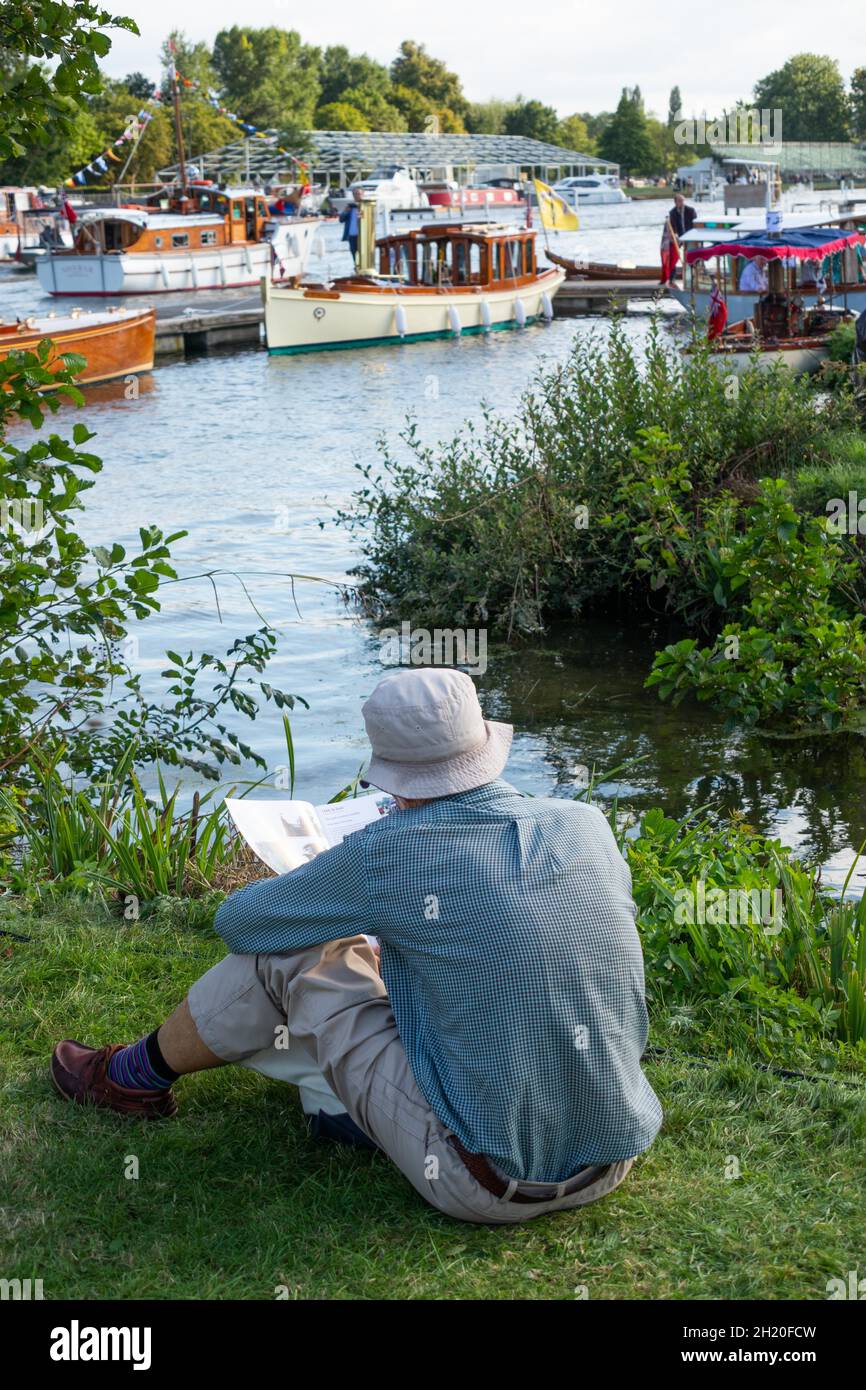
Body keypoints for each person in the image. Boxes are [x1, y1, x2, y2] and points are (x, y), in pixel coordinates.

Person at [50, 668, 662, 1227]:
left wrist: (336, 900)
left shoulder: (389, 851)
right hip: (612, 1157)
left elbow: (241, 923)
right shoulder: (583, 823)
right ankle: (344, 1110)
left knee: (284, 956)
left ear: (393, 774)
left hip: (485, 1185)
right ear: (482, 747)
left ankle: (129, 1077)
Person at [340, 188, 362, 265]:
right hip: (351, 236)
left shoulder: (365, 207)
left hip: (361, 236)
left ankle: (362, 269)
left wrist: (361, 213)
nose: (357, 196)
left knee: (362, 254)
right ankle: (356, 269)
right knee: (354, 253)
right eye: (355, 194)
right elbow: (341, 220)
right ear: (353, 196)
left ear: (362, 195)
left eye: (359, 194)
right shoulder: (350, 207)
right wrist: (345, 211)